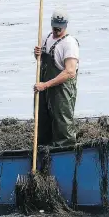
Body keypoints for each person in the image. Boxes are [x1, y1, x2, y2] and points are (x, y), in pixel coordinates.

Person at [33, 8, 80, 147]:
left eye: (59, 28)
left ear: (65, 25)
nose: (56, 31)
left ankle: (65, 148)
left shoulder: (69, 43)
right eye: (54, 27)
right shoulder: (46, 38)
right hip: (45, 86)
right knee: (43, 117)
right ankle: (43, 147)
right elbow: (41, 61)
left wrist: (45, 85)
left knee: (62, 120)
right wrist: (37, 54)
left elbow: (70, 72)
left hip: (62, 89)